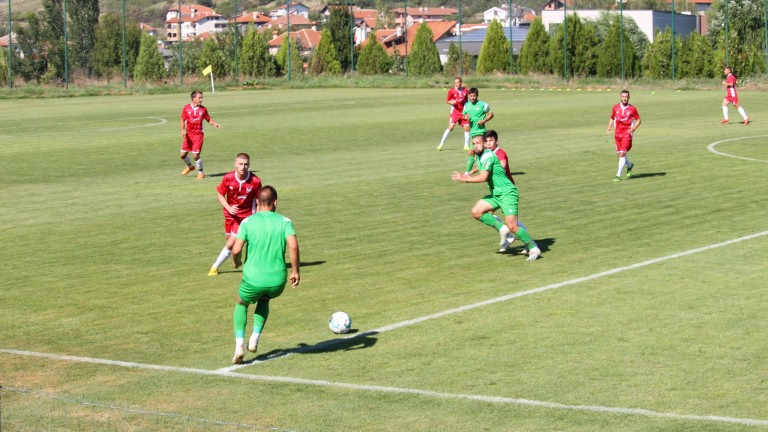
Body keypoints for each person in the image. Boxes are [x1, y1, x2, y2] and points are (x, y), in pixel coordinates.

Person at [230, 185, 300, 364]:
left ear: (257, 202)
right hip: (277, 281)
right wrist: (295, 271)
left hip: (253, 280)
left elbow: (236, 249)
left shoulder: (248, 222)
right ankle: (254, 338)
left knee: (241, 302)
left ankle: (239, 346)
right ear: (275, 202)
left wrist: (236, 262)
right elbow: (293, 245)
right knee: (264, 299)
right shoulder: (285, 221)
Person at [451, 134, 541, 261]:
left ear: (485, 144)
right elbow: (473, 161)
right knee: (476, 211)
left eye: (478, 143)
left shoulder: (488, 155)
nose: (475, 146)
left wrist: (464, 178)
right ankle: (502, 228)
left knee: (513, 226)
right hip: (496, 194)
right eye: (474, 143)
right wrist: (466, 176)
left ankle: (533, 248)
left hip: (507, 193)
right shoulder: (480, 156)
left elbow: (483, 177)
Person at [208, 153, 262, 276]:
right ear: (235, 164)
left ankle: (214, 267)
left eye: (246, 164)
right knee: (230, 243)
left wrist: (257, 217)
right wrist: (229, 208)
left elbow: (258, 201)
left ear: (249, 165)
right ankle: (237, 258)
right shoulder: (228, 178)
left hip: (245, 216)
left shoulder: (255, 181)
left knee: (231, 243)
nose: (243, 167)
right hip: (229, 214)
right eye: (240, 164)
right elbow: (220, 194)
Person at [180, 90, 221, 179]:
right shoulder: (186, 108)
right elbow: (183, 120)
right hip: (188, 135)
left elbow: (208, 119)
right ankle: (190, 167)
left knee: (196, 155)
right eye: (199, 97)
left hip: (198, 135)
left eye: (202, 97)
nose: (201, 99)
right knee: (182, 155)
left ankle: (201, 173)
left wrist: (214, 123)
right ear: (193, 98)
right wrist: (182, 130)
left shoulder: (203, 109)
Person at [607, 89, 641, 182]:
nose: (624, 98)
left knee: (622, 154)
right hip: (617, 134)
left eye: (626, 97)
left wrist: (633, 129)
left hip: (627, 134)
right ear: (620, 97)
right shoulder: (615, 107)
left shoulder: (632, 109)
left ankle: (618, 175)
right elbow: (612, 117)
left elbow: (638, 120)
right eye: (623, 96)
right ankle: (630, 165)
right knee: (619, 155)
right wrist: (609, 127)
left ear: (629, 97)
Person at [437, 77, 470, 151]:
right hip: (455, 112)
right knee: (451, 127)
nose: (456, 84)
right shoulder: (451, 91)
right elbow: (447, 101)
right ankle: (441, 144)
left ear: (461, 82)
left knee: (467, 127)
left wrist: (467, 106)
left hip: (464, 112)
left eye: (458, 83)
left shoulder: (466, 90)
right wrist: (451, 102)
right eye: (455, 83)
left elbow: (466, 100)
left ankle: (466, 145)